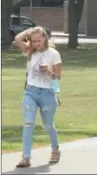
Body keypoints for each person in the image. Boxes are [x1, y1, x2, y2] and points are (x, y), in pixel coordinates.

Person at [13, 27, 62, 168]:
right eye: (33, 41)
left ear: (45, 38)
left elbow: (58, 77)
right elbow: (17, 39)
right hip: (31, 92)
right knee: (28, 124)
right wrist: (31, 30)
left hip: (47, 93)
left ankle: (55, 149)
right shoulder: (30, 51)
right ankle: (26, 158)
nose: (36, 44)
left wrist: (48, 72)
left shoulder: (54, 54)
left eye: (38, 41)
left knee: (48, 125)